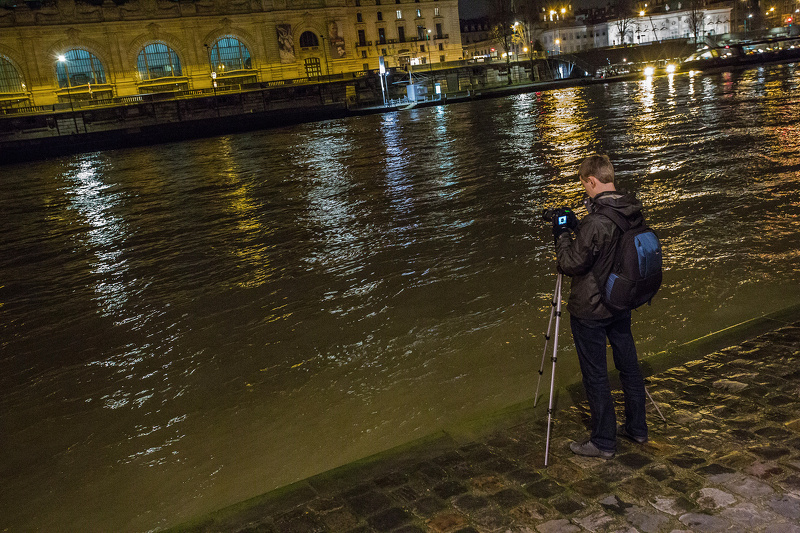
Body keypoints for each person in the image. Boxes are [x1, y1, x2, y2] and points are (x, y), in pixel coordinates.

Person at [552, 154, 648, 458]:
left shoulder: (596, 222)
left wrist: (562, 235)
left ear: (592, 180)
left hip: (591, 309)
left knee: (595, 374)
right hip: (621, 301)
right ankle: (637, 429)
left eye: (585, 186)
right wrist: (582, 227)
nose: (585, 192)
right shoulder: (632, 210)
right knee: (629, 367)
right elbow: (610, 246)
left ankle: (604, 441)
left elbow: (570, 264)